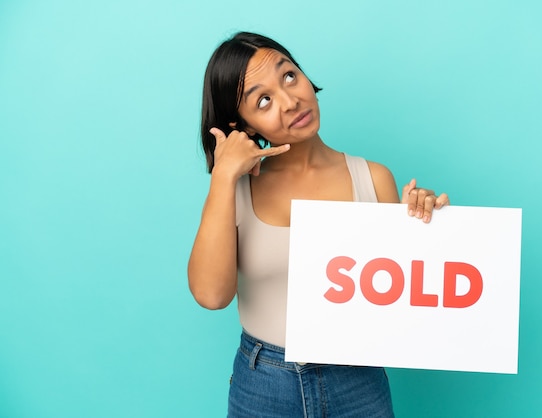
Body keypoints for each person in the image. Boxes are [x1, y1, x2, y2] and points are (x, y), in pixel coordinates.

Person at [188, 31, 449, 417]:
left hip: (357, 380)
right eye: (263, 100)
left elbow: (397, 295)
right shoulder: (236, 191)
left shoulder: (373, 178)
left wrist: (424, 221)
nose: (291, 101)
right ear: (243, 125)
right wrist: (223, 177)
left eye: (289, 76)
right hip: (264, 382)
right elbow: (212, 296)